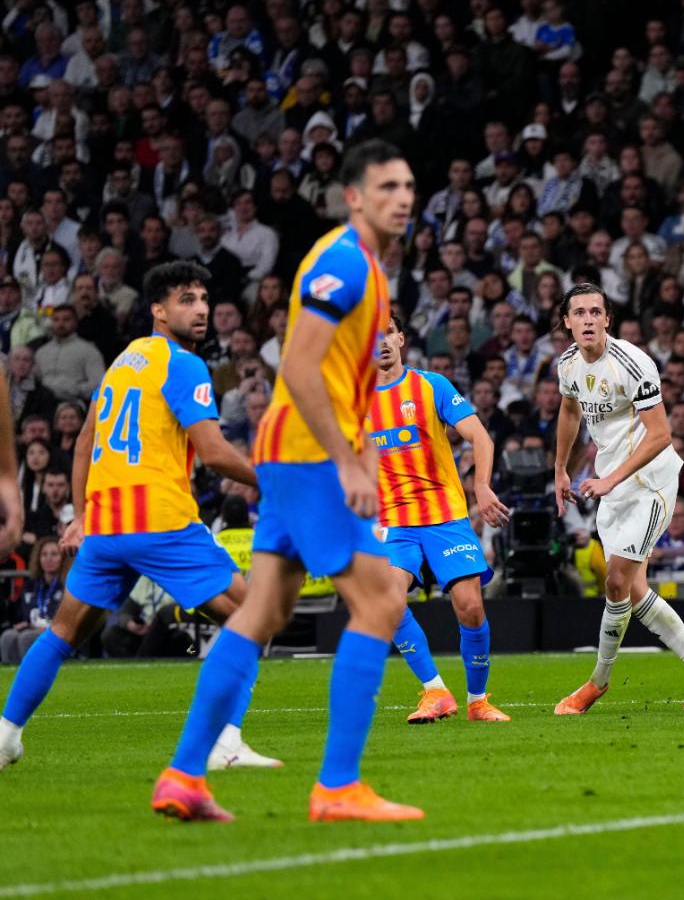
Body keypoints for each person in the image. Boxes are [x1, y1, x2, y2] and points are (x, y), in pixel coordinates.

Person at [155, 142, 419, 823]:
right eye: (386, 185)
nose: (403, 196)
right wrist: (349, 461)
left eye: (409, 186)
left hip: (292, 454)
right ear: (354, 197)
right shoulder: (343, 261)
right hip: (308, 456)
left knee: (262, 612)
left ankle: (184, 774)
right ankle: (337, 787)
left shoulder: (369, 268)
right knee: (383, 599)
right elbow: (298, 370)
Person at [2, 263, 277, 773]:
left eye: (203, 299)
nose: (200, 309)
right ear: (157, 309)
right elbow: (214, 453)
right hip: (159, 520)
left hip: (107, 526)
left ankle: (5, 736)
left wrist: (81, 515)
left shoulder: (124, 361)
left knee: (62, 633)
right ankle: (225, 743)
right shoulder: (185, 364)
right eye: (187, 300)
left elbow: (85, 441)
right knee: (253, 619)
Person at [551, 283, 684, 715]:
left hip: (649, 481)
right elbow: (570, 412)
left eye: (597, 312)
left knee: (616, 580)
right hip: (610, 481)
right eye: (580, 313)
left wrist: (610, 479)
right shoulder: (569, 364)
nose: (589, 319)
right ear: (567, 322)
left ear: (608, 320)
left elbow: (661, 435)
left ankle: (597, 681)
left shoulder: (633, 363)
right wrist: (561, 468)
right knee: (632, 590)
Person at [367, 311, 512, 723]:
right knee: (388, 600)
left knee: (470, 608)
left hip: (445, 515)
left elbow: (479, 435)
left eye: (388, 333)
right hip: (394, 522)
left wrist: (481, 486)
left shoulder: (430, 386)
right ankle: (434, 691)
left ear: (400, 340)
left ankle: (478, 701)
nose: (380, 342)